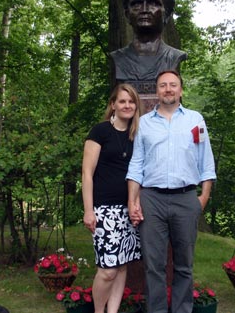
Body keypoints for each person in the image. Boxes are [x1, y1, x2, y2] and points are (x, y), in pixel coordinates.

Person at [126, 70, 216, 313]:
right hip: (151, 199)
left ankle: (182, 310)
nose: (168, 89)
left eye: (173, 85)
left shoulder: (195, 120)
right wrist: (132, 201)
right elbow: (136, 164)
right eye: (163, 85)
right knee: (153, 265)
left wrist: (203, 198)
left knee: (184, 265)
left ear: (181, 90)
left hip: (186, 199)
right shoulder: (145, 122)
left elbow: (206, 162)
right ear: (157, 91)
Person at [82, 83, 143, 313]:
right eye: (122, 101)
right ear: (113, 105)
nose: (127, 105)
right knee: (107, 270)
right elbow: (87, 173)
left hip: (128, 209)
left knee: (122, 266)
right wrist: (89, 210)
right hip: (103, 210)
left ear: (135, 106)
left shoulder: (137, 134)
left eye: (131, 101)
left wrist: (136, 205)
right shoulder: (99, 131)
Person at [110, 0, 187, 93]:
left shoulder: (173, 57)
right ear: (127, 14)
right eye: (136, 4)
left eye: (153, 3)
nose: (144, 10)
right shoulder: (118, 59)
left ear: (166, 13)